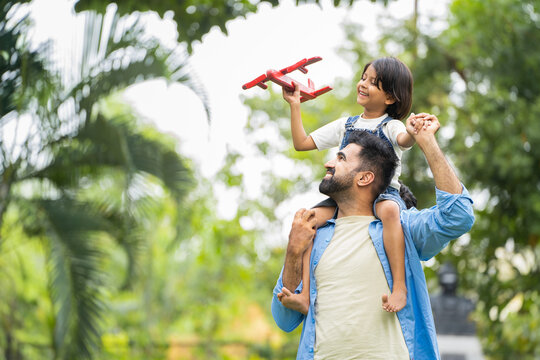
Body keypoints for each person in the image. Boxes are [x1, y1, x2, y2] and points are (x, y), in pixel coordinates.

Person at [271, 117, 475, 359]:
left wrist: (427, 142)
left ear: (364, 178)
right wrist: (294, 249)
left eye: (341, 158)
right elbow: (284, 319)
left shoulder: (401, 228)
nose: (328, 163)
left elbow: (458, 216)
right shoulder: (313, 233)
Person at [283, 57, 416, 312]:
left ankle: (399, 286)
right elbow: (302, 143)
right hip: (344, 193)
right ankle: (304, 295)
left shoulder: (391, 125)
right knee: (308, 221)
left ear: (389, 97)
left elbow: (404, 140)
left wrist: (413, 130)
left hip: (382, 192)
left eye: (373, 82)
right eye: (363, 78)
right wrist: (295, 105)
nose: (363, 84)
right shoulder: (347, 124)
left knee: (389, 211)